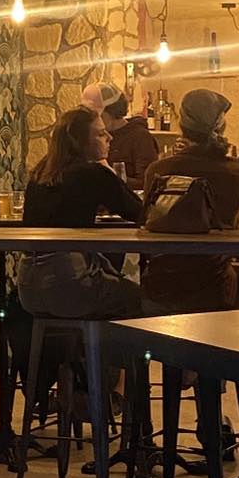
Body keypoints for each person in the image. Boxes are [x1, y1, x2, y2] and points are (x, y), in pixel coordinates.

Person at [18, 105, 143, 319]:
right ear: (80, 141)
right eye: (100, 134)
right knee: (142, 301)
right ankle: (101, 342)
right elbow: (139, 212)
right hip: (70, 285)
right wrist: (107, 171)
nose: (110, 137)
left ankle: (83, 341)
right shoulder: (93, 173)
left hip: (28, 287)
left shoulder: (40, 174)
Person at [140, 89, 239, 314]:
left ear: (182, 125)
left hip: (162, 284)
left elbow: (148, 217)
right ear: (221, 125)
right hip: (215, 283)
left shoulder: (158, 170)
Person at [82, 82, 158, 191]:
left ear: (111, 112)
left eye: (97, 115)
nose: (93, 120)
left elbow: (147, 183)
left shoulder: (140, 137)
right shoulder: (92, 136)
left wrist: (110, 175)